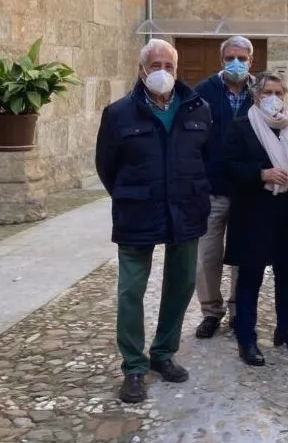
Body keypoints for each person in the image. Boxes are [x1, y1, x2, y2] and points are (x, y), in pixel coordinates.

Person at [95, 38, 212, 403]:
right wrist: (129, 193)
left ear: (177, 70)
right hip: (137, 211)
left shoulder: (198, 108)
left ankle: (163, 353)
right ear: (141, 69)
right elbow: (106, 166)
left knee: (181, 284)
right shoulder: (118, 114)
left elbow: (207, 157)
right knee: (131, 291)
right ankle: (133, 366)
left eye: (169, 66)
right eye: (155, 66)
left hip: (185, 209)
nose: (162, 72)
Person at [222, 72, 288, 366]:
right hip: (254, 214)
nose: (274, 98)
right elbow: (228, 166)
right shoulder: (241, 127)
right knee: (250, 278)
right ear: (256, 96)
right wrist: (261, 174)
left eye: (279, 92)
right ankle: (246, 339)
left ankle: (285, 329)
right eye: (267, 93)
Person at [192, 36, 256, 339]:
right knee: (207, 256)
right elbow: (192, 140)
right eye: (231, 57)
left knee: (243, 255)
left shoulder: (260, 92)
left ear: (251, 61)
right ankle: (210, 311)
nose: (237, 63)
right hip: (212, 190)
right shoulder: (203, 92)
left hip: (248, 191)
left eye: (242, 58)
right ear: (221, 60)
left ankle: (239, 309)